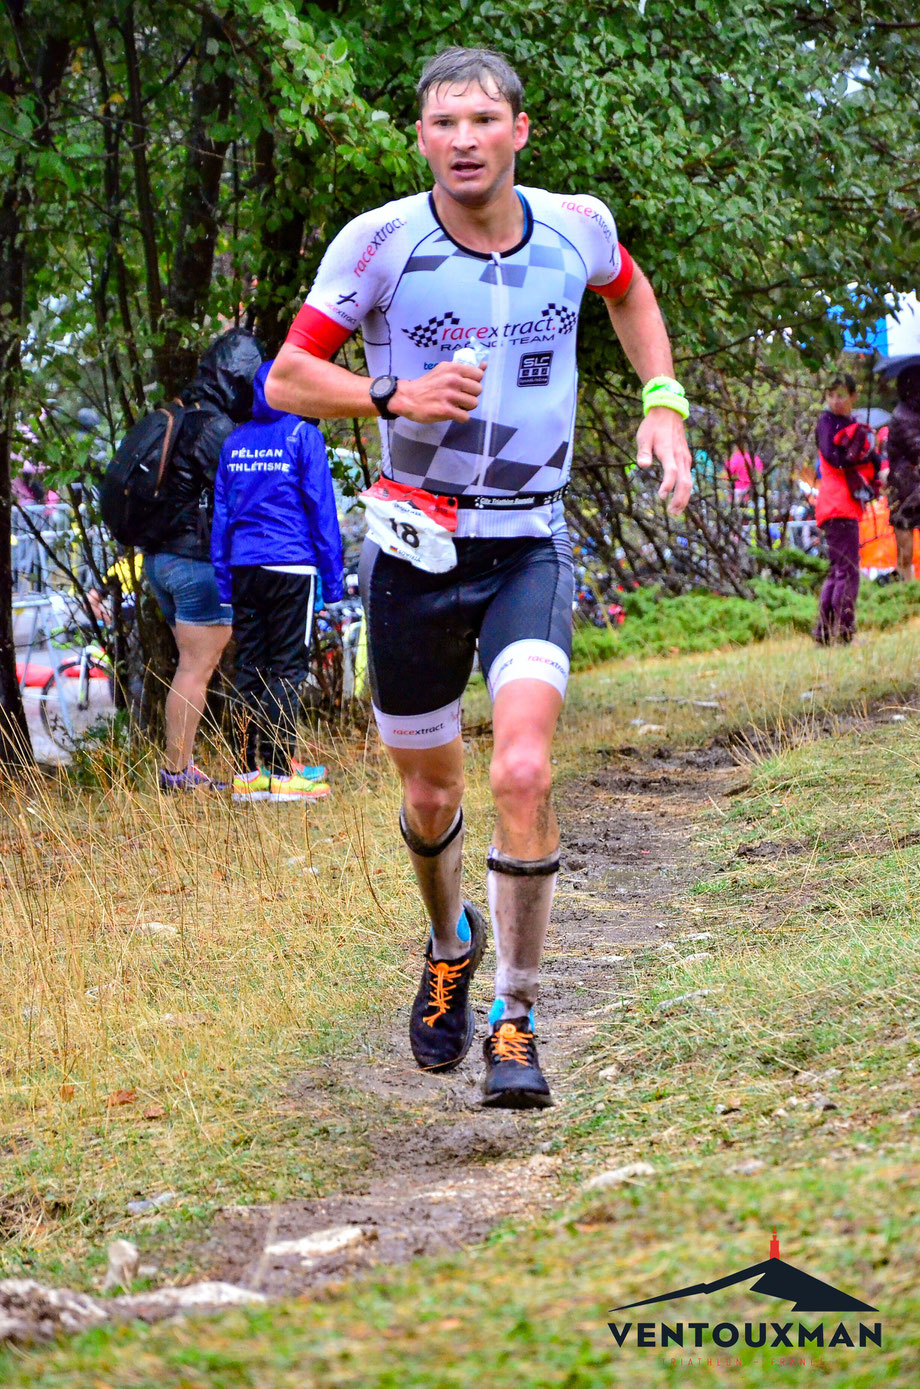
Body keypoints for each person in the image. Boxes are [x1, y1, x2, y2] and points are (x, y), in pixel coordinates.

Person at [266, 46, 692, 1108]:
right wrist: (390, 395)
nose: (461, 140)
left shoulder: (575, 226)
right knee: (429, 792)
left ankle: (516, 1015)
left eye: (479, 121)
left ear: (517, 132)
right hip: (412, 548)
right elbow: (285, 376)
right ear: (421, 139)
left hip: (527, 541)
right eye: (441, 124)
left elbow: (630, 297)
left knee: (520, 773)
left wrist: (662, 401)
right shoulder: (378, 244)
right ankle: (445, 939)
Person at [210, 360, 343, 803]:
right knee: (287, 668)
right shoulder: (302, 436)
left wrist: (224, 581)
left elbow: (221, 519)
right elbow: (321, 511)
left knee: (250, 667)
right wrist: (334, 581)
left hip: (245, 568)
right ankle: (285, 773)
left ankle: (250, 775)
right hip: (291, 567)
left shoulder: (234, 442)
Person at [143, 328, 263, 790]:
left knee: (189, 665)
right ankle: (177, 772)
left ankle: (181, 767)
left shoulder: (177, 412)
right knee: (196, 669)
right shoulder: (213, 426)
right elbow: (239, 492)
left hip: (159, 561)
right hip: (195, 563)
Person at [814, 373, 884, 644]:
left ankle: (824, 632)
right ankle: (843, 631)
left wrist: (867, 448)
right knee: (848, 571)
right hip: (837, 505)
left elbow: (873, 459)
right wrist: (857, 449)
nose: (835, 400)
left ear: (854, 396)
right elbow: (835, 458)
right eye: (830, 394)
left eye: (841, 394)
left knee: (838, 570)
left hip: (842, 505)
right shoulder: (826, 422)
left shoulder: (849, 424)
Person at [885, 367, 920, 583]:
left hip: (912, 488)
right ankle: (908, 591)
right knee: (905, 552)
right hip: (906, 490)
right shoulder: (903, 415)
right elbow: (916, 446)